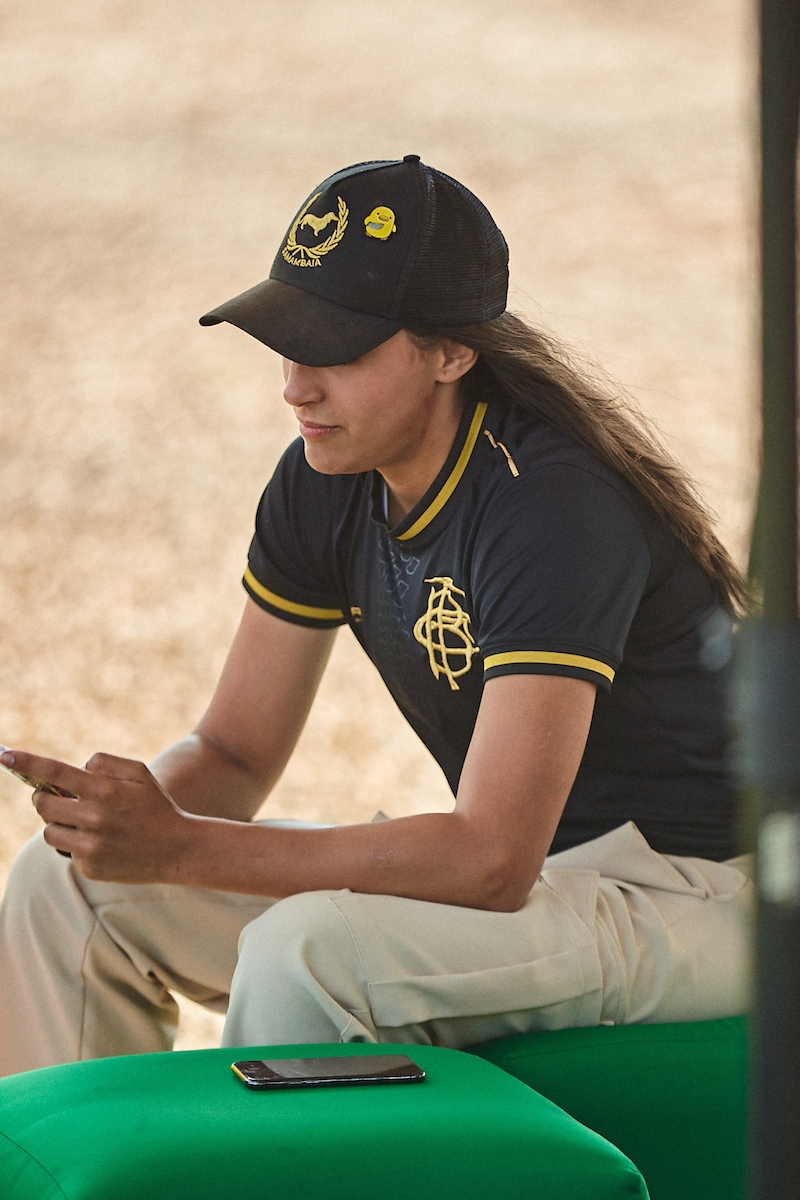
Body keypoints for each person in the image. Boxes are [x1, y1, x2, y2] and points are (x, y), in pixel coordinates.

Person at [0, 156, 753, 1077]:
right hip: (537, 892)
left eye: (335, 347)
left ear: (452, 351)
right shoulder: (325, 478)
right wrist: (129, 827)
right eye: (285, 337)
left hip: (695, 896)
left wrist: (186, 848)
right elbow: (234, 754)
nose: (295, 386)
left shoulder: (553, 506)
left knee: (308, 953)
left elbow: (488, 860)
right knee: (62, 885)